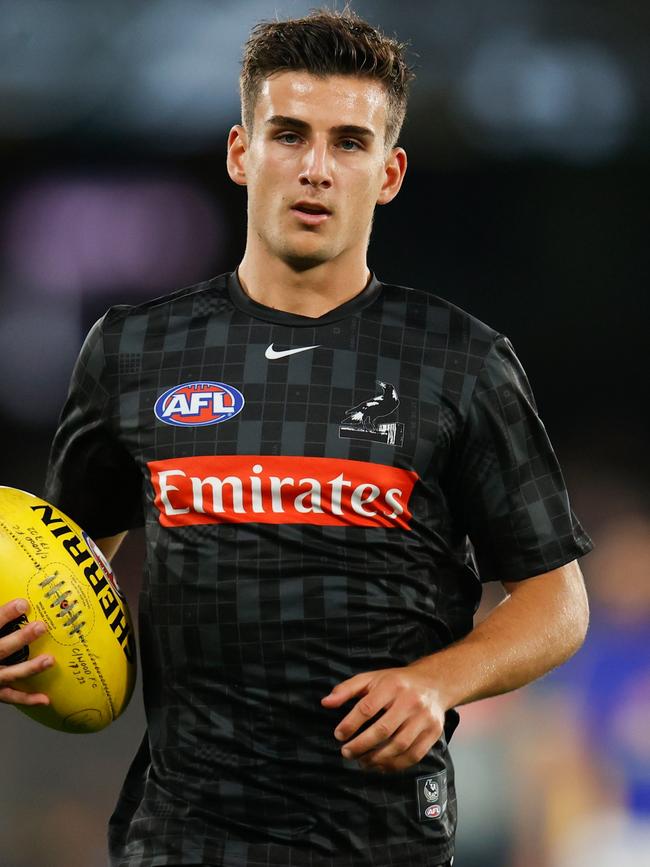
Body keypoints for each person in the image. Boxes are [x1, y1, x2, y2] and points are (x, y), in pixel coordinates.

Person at [0, 8, 593, 867]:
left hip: (380, 837)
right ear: (242, 151)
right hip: (181, 834)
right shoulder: (135, 351)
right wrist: (22, 643)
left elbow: (557, 601)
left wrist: (438, 681)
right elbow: (61, 559)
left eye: (349, 143)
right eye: (289, 134)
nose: (316, 169)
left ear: (388, 174)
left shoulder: (459, 361)